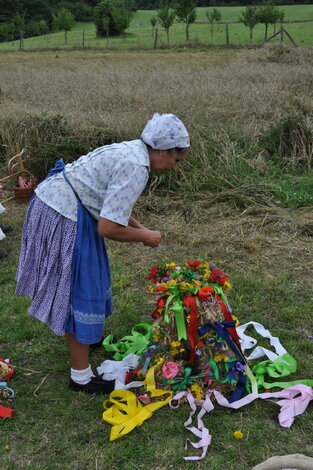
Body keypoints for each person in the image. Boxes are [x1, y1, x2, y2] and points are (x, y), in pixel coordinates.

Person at [15, 113, 190, 394]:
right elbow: (108, 227)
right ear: (161, 149)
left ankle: (85, 338)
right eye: (176, 159)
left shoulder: (131, 150)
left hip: (60, 204)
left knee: (89, 281)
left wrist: (139, 227)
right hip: (65, 215)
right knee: (79, 287)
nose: (174, 166)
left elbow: (110, 204)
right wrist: (145, 236)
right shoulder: (136, 166)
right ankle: (81, 377)